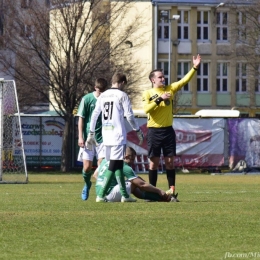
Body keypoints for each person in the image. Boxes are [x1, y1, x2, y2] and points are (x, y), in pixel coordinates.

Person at [142, 54, 201, 202]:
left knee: (170, 162)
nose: (163, 79)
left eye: (163, 77)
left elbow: (184, 80)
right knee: (153, 163)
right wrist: (160, 99)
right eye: (160, 77)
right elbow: (147, 110)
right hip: (154, 131)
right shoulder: (148, 93)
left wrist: (195, 67)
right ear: (153, 80)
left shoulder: (170, 89)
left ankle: (172, 191)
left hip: (168, 131)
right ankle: (152, 193)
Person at [87, 72, 144, 202]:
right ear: (122, 82)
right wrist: (137, 130)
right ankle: (101, 195)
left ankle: (125, 195)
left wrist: (91, 132)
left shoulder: (103, 95)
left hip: (106, 134)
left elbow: (95, 114)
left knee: (117, 164)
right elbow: (129, 115)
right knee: (113, 165)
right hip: (117, 135)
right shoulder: (122, 95)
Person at [94, 146, 171, 202]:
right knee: (135, 182)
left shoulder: (106, 160)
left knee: (133, 184)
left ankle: (158, 198)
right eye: (132, 159)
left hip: (99, 192)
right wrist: (159, 191)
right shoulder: (123, 165)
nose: (133, 162)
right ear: (126, 157)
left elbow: (95, 175)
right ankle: (160, 197)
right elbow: (141, 184)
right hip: (109, 194)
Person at [77, 78, 108, 201]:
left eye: (103, 91)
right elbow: (81, 118)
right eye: (99, 90)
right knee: (87, 167)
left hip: (103, 138)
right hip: (88, 138)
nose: (100, 93)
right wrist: (80, 136)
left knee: (101, 166)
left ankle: (100, 192)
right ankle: (87, 183)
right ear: (95, 88)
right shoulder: (87, 99)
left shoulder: (107, 100)